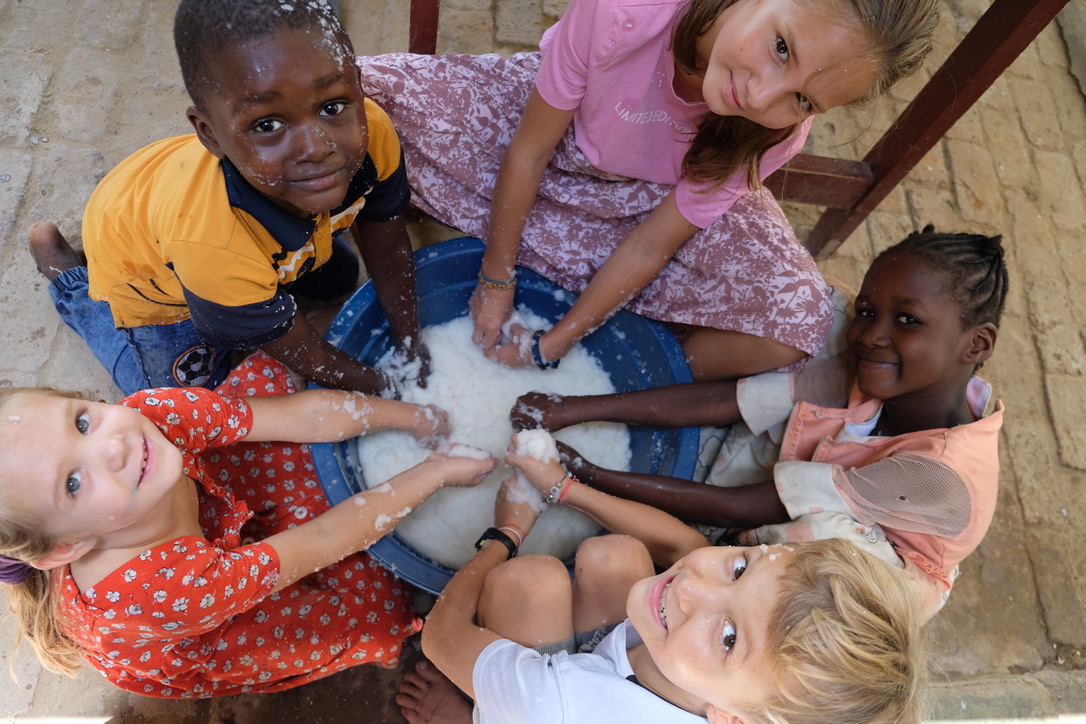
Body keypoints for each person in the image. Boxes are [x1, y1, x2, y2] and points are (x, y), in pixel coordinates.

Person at [357, 0, 940, 380]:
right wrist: (495, 277)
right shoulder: (626, 12)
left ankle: (636, 376)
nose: (761, 97)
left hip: (642, 200)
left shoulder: (773, 129)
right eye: (782, 47)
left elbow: (649, 245)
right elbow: (528, 153)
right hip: (548, 140)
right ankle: (561, 266)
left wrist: (558, 344)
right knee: (357, 105)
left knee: (800, 314)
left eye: (803, 99)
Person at [511, 228, 1009, 620]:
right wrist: (572, 407)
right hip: (824, 498)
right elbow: (727, 401)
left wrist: (586, 474)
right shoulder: (876, 372)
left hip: (871, 582)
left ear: (976, 344)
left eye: (907, 320)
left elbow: (738, 506)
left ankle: (725, 571)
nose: (870, 335)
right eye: (867, 311)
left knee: (789, 552)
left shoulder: (936, 476)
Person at [0, 351, 497, 698]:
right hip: (192, 613)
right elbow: (327, 537)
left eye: (81, 422)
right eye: (72, 482)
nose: (112, 446)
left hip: (184, 531)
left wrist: (415, 417)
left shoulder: (145, 419)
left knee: (269, 381)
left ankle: (238, 531)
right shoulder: (163, 593)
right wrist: (434, 472)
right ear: (63, 549)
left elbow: (303, 417)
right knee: (375, 611)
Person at [27, 0, 428, 398]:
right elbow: (304, 353)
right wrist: (391, 389)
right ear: (210, 134)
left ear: (358, 86)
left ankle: (252, 299)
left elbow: (388, 248)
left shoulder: (372, 132)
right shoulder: (212, 245)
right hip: (146, 276)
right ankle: (68, 277)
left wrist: (412, 348)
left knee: (340, 278)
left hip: (185, 216)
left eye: (332, 106)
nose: (316, 147)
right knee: (185, 395)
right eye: (267, 125)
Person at [395, 430, 925, 724]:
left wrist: (507, 533)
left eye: (729, 637)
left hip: (548, 712)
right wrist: (562, 487)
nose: (693, 587)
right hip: (614, 681)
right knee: (618, 557)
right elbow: (684, 545)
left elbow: (441, 636)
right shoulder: (746, 690)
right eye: (740, 568)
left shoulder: (561, 709)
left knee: (527, 582)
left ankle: (474, 710)